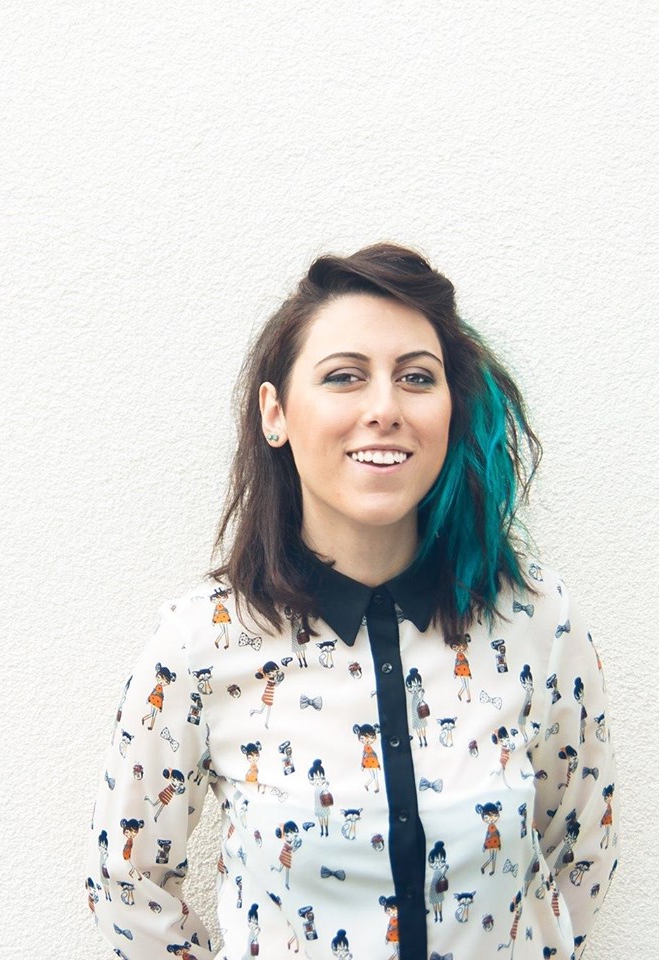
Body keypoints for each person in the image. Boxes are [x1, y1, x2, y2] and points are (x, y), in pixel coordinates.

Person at [85, 243, 618, 960]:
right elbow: (126, 884)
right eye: (344, 376)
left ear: (452, 409)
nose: (384, 409)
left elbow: (582, 850)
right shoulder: (202, 641)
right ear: (275, 413)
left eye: (417, 378)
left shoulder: (538, 622)